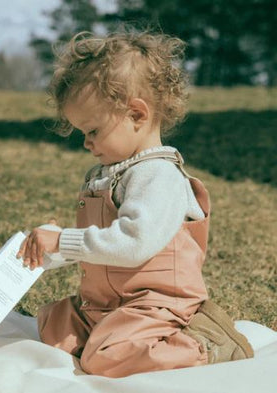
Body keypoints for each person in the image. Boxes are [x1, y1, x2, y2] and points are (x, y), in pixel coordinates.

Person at [17, 30, 253, 378]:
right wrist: (51, 247)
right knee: (52, 326)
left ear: (137, 115)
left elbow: (132, 244)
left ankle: (205, 343)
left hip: (155, 303)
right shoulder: (109, 174)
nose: (86, 142)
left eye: (93, 130)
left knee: (104, 359)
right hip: (107, 302)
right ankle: (113, 338)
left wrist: (64, 238)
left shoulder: (158, 176)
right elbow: (102, 242)